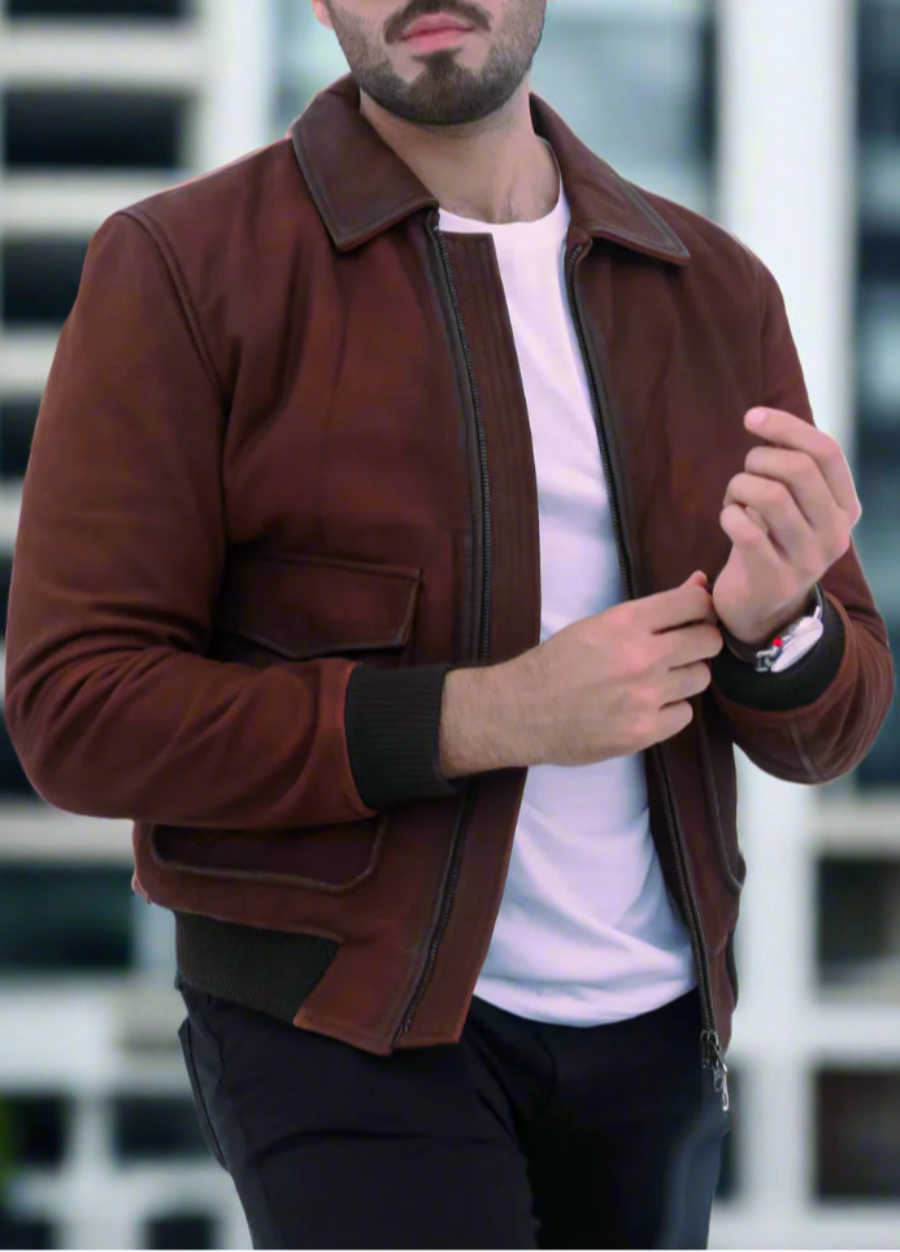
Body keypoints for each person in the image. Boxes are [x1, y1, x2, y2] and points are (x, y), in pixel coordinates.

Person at [4, 1, 894, 1249]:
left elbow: (832, 727)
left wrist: (775, 624)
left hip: (658, 1042)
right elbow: (77, 710)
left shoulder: (712, 288)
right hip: (340, 1030)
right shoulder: (182, 265)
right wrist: (484, 716)